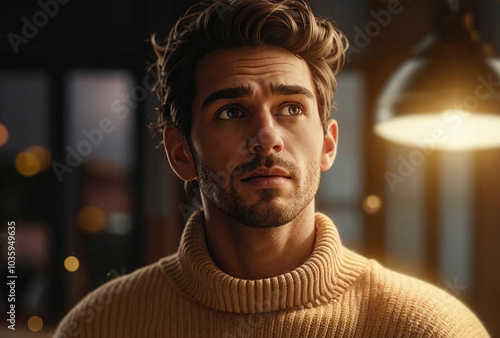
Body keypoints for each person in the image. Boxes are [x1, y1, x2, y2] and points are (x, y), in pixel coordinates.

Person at [54, 0, 489, 336]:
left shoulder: (429, 327)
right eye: (230, 112)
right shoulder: (101, 325)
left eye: (291, 108)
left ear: (328, 144)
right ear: (181, 152)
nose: (266, 136)